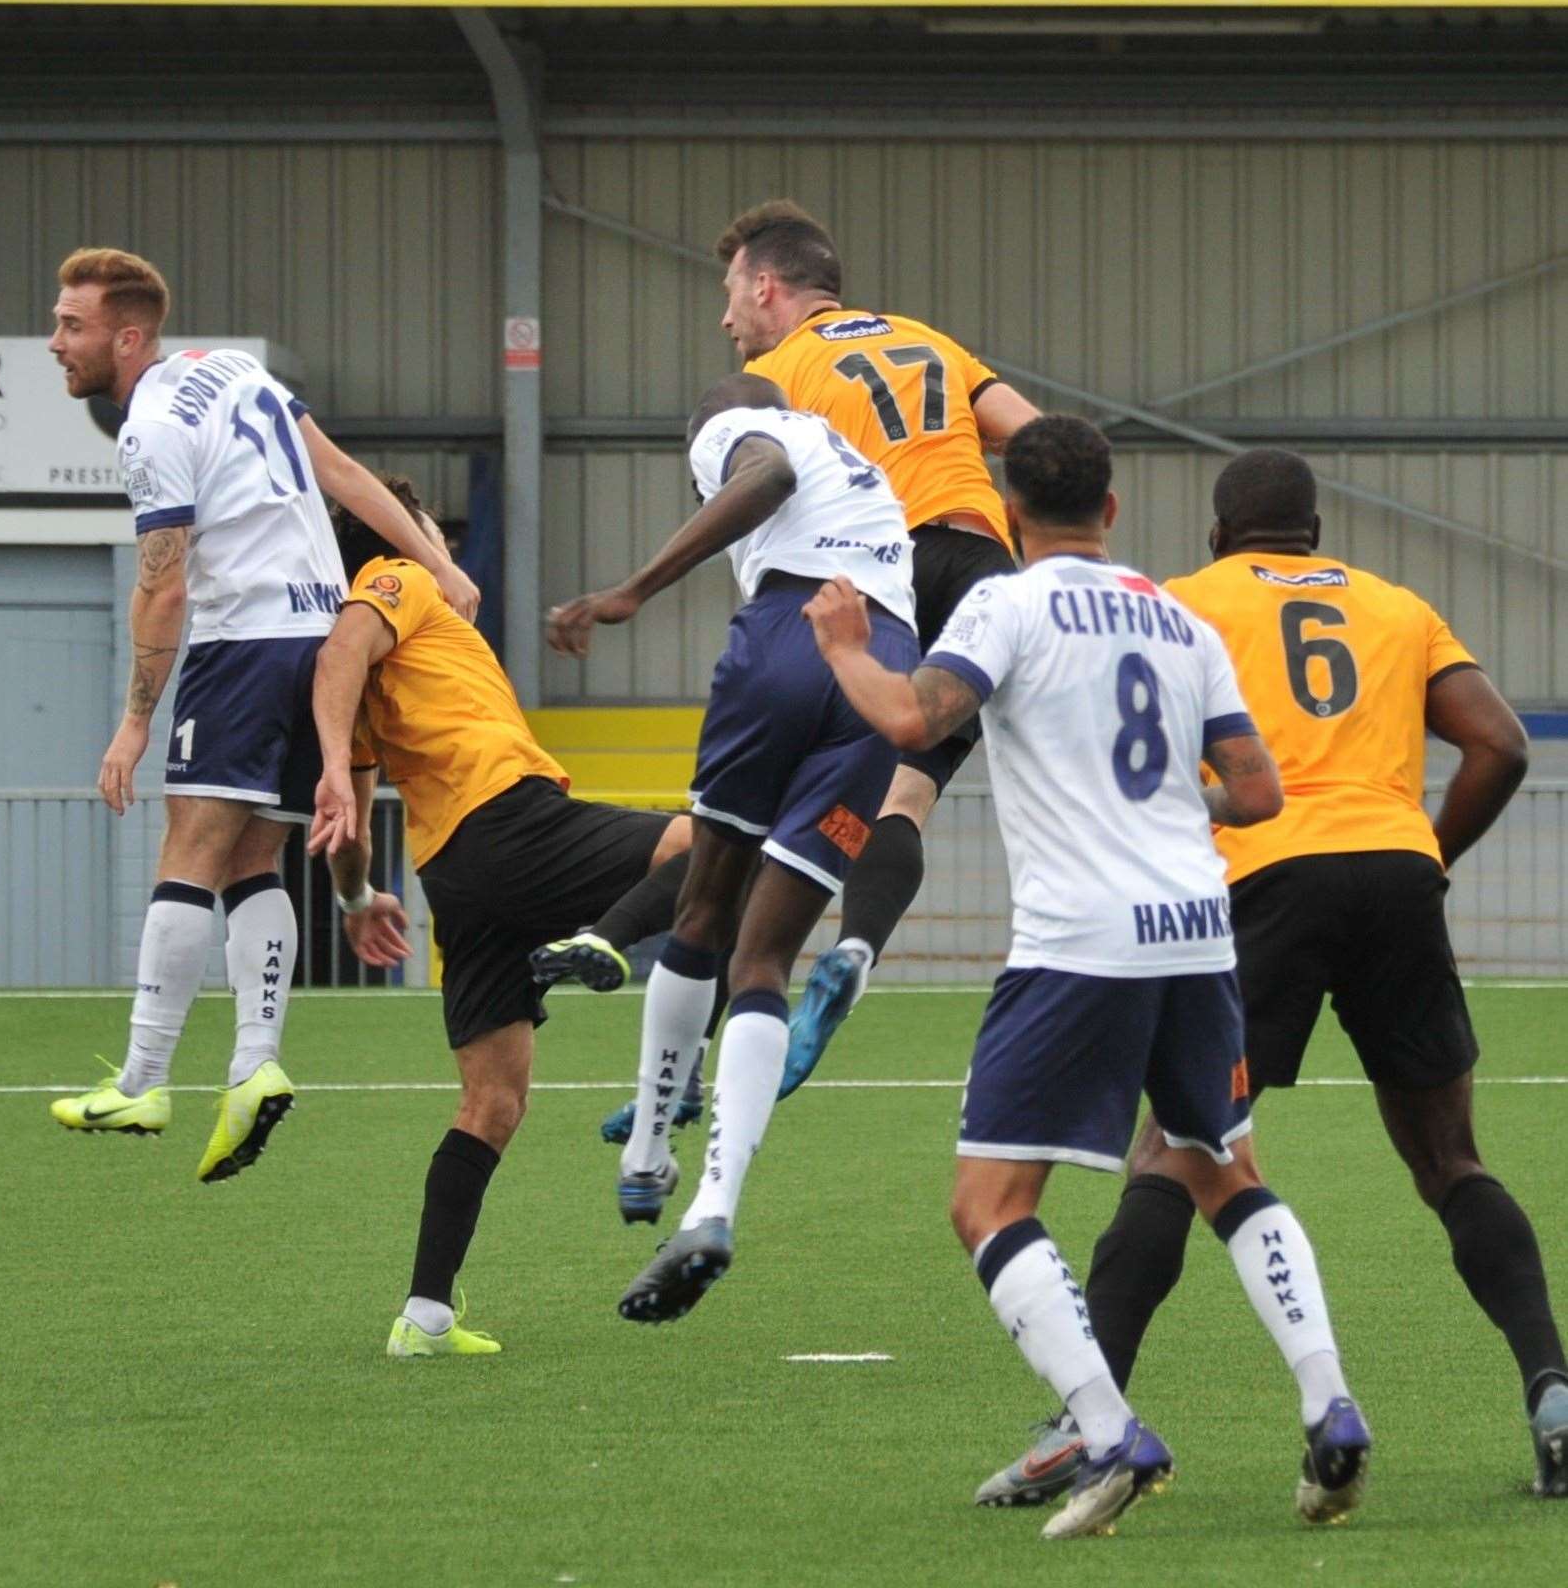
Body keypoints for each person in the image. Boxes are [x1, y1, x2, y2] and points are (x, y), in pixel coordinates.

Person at [807, 416, 1371, 1539]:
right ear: (1113, 509)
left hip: (1081, 942)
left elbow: (917, 715)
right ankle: (1330, 1402)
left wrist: (840, 647)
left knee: (988, 1204)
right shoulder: (1176, 613)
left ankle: (1108, 1429)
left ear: (1013, 514)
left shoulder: (1005, 603)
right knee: (1227, 1169)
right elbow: (1258, 792)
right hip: (1197, 929)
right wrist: (1168, 806)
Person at [978, 449, 1568, 1507]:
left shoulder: (1180, 604)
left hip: (1260, 884)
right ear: (1318, 530)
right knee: (1450, 1160)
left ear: (1216, 535)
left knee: (1176, 1153)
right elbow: (1502, 746)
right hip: (1394, 875)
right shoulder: (1397, 608)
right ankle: (1555, 1397)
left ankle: (1082, 1425)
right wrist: (1424, 854)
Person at [574, 200, 1039, 1140]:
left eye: (729, 295)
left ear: (765, 286)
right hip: (980, 567)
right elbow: (1035, 439)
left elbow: (767, 483)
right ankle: (858, 953)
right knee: (901, 800)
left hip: (875, 583)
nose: (726, 320)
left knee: (748, 838)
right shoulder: (928, 342)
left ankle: (683, 1069)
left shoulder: (769, 378)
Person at [44, 247, 478, 1183]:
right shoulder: (237, 373)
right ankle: (253, 1064)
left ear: (127, 335)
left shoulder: (149, 425)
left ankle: (145, 1078)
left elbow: (161, 591)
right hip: (317, 644)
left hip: (242, 644)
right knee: (252, 859)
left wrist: (133, 724)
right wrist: (438, 563)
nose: (56, 342)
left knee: (187, 854)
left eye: (71, 326)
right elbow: (347, 477)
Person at [547, 373, 919, 1324]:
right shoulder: (868, 471)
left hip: (793, 637)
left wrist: (631, 590)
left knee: (706, 904)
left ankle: (644, 1152)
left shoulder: (738, 425)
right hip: (886, 667)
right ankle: (711, 1203)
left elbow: (765, 478)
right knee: (766, 958)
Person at [307, 480, 696, 1357]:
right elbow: (337, 666)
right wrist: (334, 768)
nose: (439, 546)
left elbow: (353, 811)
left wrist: (353, 895)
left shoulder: (382, 659)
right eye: (423, 530)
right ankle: (604, 939)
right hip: (510, 823)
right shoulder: (394, 581)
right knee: (713, 845)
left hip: (459, 875)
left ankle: (425, 1314)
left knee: (492, 1101)